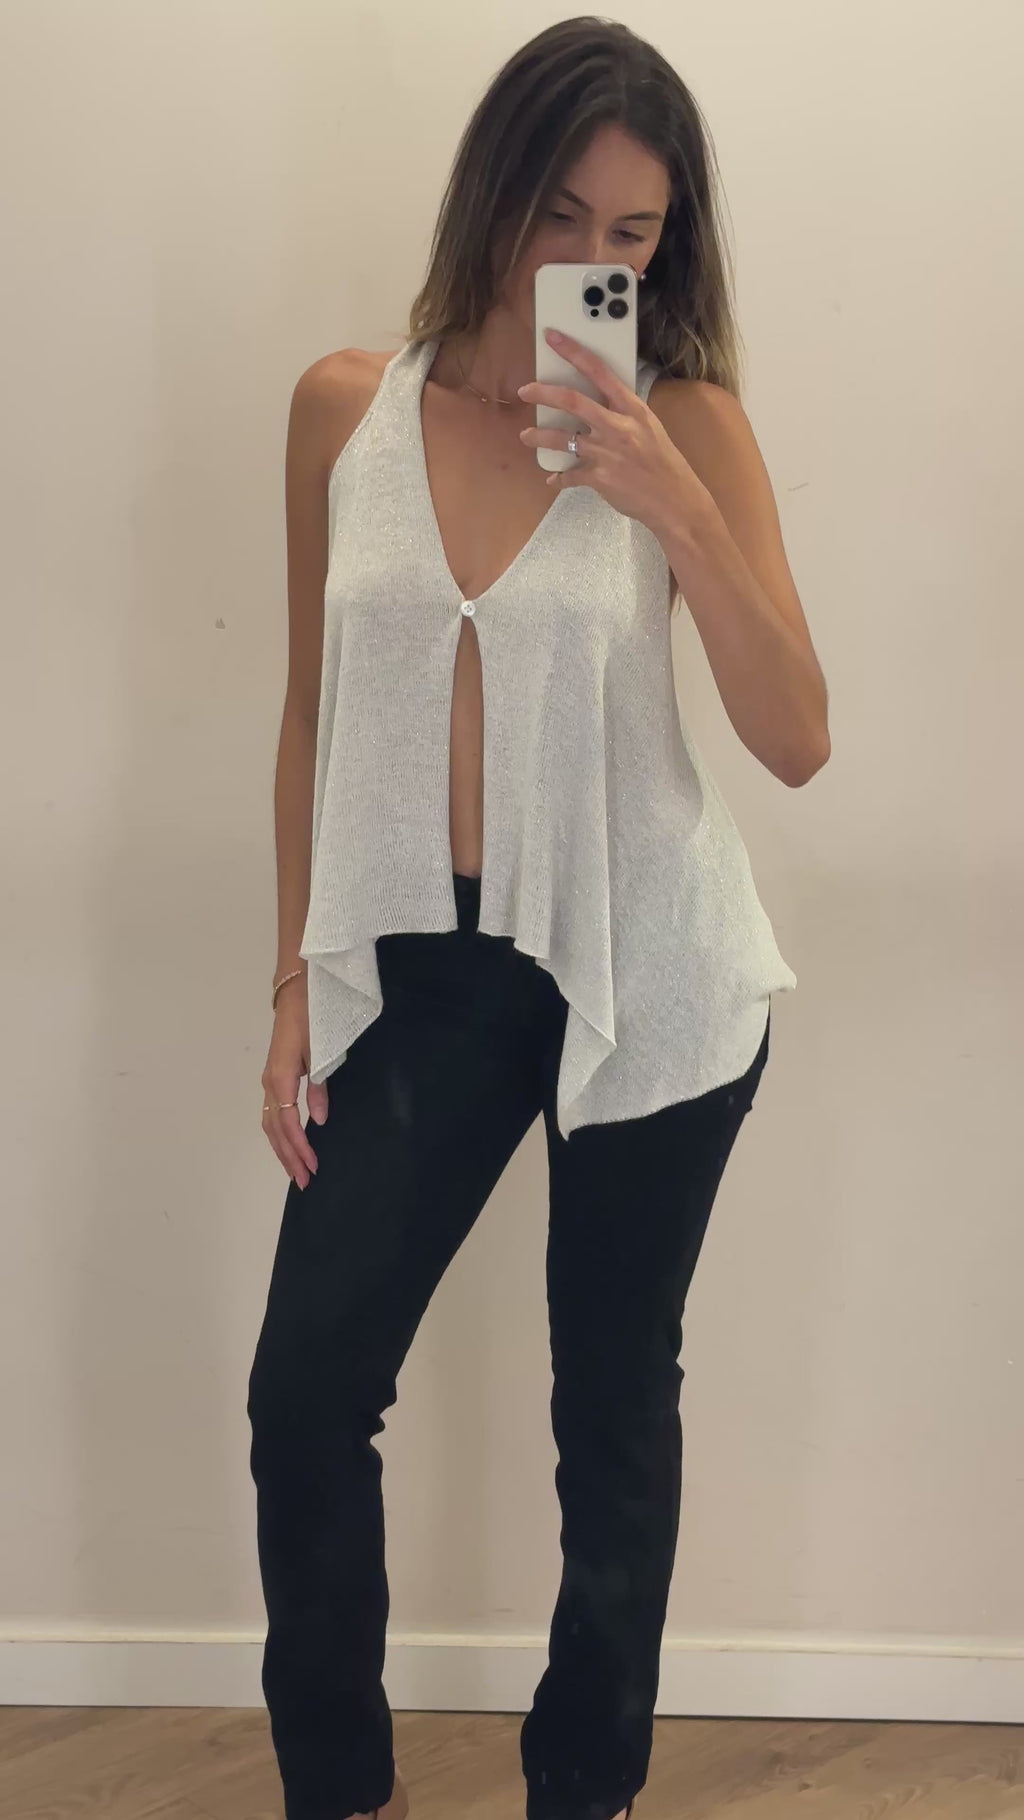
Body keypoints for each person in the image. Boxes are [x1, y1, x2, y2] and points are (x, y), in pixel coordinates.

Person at [246, 18, 829, 1820]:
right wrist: (295, 977)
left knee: (611, 1412)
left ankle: (583, 1789)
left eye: (632, 232)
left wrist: (667, 495)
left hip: (652, 962)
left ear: (668, 244)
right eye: (560, 210)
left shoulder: (689, 423)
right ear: (493, 190)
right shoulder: (347, 408)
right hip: (427, 964)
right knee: (305, 1392)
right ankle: (339, 1790)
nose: (589, 254)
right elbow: (310, 711)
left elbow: (797, 737)